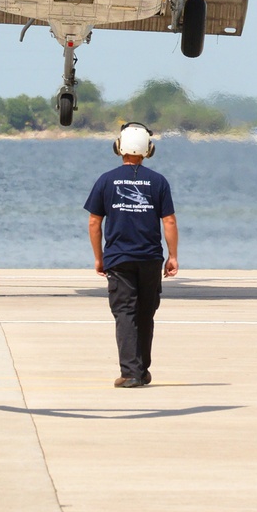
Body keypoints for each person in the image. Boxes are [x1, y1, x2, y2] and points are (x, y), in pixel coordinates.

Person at [85, 122, 178, 388]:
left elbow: (94, 222)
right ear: (149, 150)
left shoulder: (105, 180)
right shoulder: (159, 181)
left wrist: (98, 257)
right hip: (150, 258)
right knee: (146, 313)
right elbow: (169, 221)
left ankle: (130, 373)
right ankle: (142, 369)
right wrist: (172, 256)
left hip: (119, 258)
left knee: (125, 313)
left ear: (119, 148)